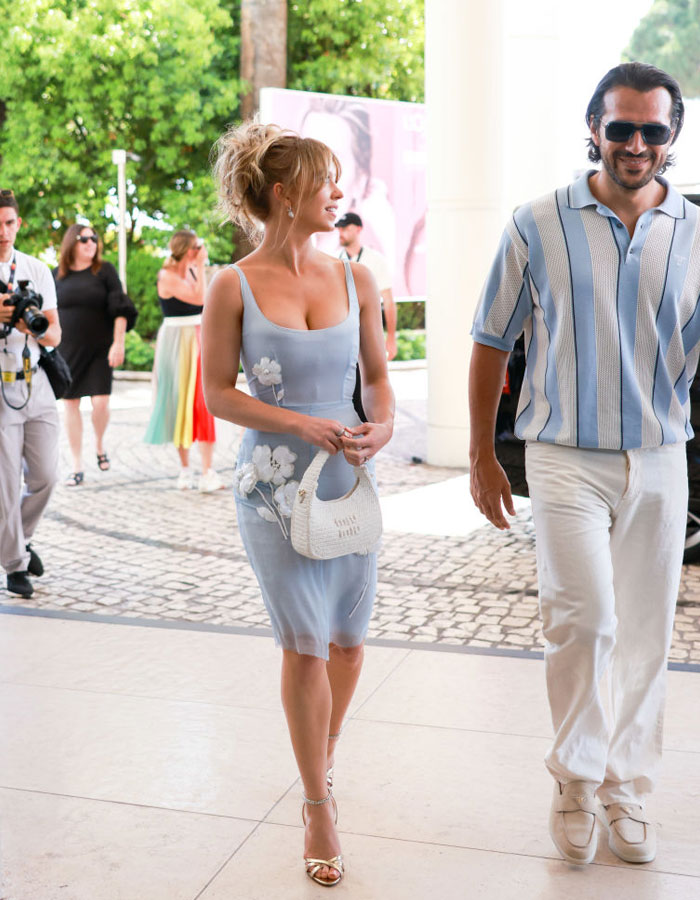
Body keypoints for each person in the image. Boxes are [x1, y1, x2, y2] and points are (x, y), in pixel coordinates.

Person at [469, 62, 695, 867]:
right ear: (592, 129)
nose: (636, 144)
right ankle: (574, 778)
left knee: (643, 631)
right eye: (622, 128)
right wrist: (480, 456)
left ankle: (627, 787)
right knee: (584, 619)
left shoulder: (696, 233)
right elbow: (492, 337)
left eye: (654, 131)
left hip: (661, 457)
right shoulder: (538, 221)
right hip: (562, 455)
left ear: (672, 138)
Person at [203, 123, 394, 886]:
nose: (338, 195)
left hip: (347, 479)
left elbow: (377, 375)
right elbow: (219, 395)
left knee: (349, 642)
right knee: (306, 643)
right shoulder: (232, 284)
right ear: (286, 195)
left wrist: (378, 427)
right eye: (326, 183)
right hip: (273, 490)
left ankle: (323, 749)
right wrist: (300, 423)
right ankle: (318, 803)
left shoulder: (357, 275)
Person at [0, 190, 61, 598]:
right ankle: (15, 565)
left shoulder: (36, 269)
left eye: (8, 223)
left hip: (35, 380)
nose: (3, 232)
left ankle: (18, 540)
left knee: (46, 476)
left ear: (18, 223)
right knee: (5, 484)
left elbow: (54, 333)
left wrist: (26, 325)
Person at [144, 230, 223, 492]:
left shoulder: (191, 271)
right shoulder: (166, 275)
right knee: (179, 401)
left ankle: (207, 471)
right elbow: (200, 298)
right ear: (188, 250)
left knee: (203, 402)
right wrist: (200, 266)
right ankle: (185, 469)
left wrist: (198, 268)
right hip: (177, 341)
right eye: (197, 247)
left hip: (198, 337)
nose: (201, 250)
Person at [54, 224, 131, 485]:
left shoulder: (104, 271)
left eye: (94, 238)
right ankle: (76, 465)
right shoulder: (57, 276)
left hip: (100, 348)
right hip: (67, 351)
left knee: (100, 402)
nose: (91, 243)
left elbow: (121, 309)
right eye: (84, 239)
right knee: (70, 404)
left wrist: (118, 344)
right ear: (70, 244)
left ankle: (99, 443)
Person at [336, 211, 398, 361]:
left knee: (370, 378)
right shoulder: (333, 260)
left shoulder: (375, 260)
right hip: (341, 333)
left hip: (369, 332)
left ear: (358, 229)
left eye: (346, 228)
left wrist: (391, 337)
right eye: (339, 228)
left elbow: (388, 301)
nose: (341, 232)